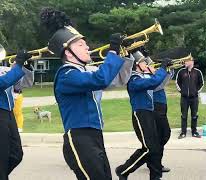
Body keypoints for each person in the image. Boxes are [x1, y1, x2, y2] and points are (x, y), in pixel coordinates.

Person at [40, 8, 131, 179]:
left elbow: (118, 79)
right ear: (68, 52)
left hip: (95, 135)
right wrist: (112, 51)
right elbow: (101, 79)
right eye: (81, 45)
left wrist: (125, 55)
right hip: (79, 138)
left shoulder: (85, 71)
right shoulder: (67, 75)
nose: (88, 47)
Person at [115, 52, 171, 180]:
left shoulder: (142, 76)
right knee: (149, 148)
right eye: (144, 62)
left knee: (155, 148)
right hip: (140, 115)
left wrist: (166, 70)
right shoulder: (134, 79)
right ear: (136, 65)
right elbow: (153, 82)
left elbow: (158, 82)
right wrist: (162, 68)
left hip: (149, 113)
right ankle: (123, 170)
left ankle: (155, 176)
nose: (147, 64)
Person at [0, 50, 33, 180]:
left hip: (8, 113)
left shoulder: (3, 68)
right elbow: (4, 82)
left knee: (16, 153)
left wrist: (26, 65)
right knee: (2, 157)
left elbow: (25, 83)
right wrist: (19, 63)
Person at [175, 50, 204, 139]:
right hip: (184, 98)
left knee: (194, 115)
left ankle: (194, 132)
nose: (185, 62)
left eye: (187, 61)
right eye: (185, 61)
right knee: (183, 116)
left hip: (194, 98)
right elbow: (177, 82)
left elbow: (201, 83)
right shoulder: (181, 72)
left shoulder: (198, 72)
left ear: (192, 62)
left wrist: (196, 92)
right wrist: (182, 91)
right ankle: (183, 132)